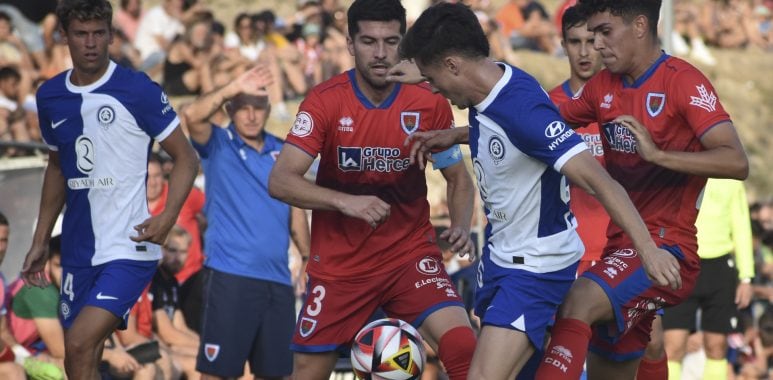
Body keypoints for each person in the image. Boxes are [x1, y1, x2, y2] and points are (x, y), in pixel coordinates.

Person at [393, 2, 685, 378]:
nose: (430, 88)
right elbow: (504, 128)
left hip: (534, 268)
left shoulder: (524, 111)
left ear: (452, 65)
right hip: (501, 259)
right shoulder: (490, 81)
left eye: (432, 78)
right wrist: (458, 132)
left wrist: (649, 251)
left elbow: (599, 181)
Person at [529, 1, 749, 379]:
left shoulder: (683, 81)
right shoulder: (603, 87)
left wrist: (659, 155)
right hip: (622, 247)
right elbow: (540, 127)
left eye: (604, 32)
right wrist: (468, 131)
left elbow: (736, 161)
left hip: (668, 249)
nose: (597, 45)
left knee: (577, 302)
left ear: (640, 26)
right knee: (617, 363)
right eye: (589, 35)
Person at [268, 1, 478, 379]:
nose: (381, 54)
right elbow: (281, 180)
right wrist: (345, 202)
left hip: (408, 256)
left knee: (464, 346)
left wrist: (461, 222)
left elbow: (457, 177)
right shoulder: (325, 101)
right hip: (340, 269)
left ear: (405, 42)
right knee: (306, 371)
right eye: (368, 41)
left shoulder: (428, 101)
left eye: (391, 41)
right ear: (349, 43)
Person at [20, 0, 199, 378]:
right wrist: (40, 239)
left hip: (130, 245)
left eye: (98, 33)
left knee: (80, 343)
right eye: (81, 34)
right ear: (64, 37)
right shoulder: (50, 96)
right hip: (78, 248)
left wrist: (166, 219)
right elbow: (57, 168)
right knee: (79, 357)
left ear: (111, 36)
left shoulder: (138, 90)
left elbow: (187, 159)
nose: (90, 43)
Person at [181, 64, 311, 379]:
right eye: (243, 108)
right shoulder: (218, 143)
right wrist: (230, 86)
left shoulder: (282, 151)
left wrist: (307, 256)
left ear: (268, 110)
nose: (251, 116)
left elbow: (295, 206)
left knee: (278, 374)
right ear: (230, 110)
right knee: (218, 372)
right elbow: (192, 116)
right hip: (231, 276)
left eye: (258, 108)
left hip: (278, 281)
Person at [660, 178, 754, 380]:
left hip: (719, 267)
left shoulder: (732, 178)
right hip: (682, 261)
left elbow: (741, 226)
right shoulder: (683, 166)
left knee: (717, 346)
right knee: (673, 345)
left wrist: (746, 277)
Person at [547, 5, 606, 276]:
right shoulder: (547, 106)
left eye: (591, 42)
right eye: (575, 42)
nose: (584, 52)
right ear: (563, 45)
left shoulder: (625, 102)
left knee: (649, 321)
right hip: (564, 252)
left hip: (620, 247)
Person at [150, 226, 200, 379]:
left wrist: (208, 346)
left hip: (171, 346)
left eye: (183, 252)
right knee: (199, 366)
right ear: (161, 249)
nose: (178, 257)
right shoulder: (154, 280)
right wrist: (206, 349)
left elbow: (180, 327)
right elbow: (168, 334)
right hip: (156, 345)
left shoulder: (172, 282)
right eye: (172, 250)